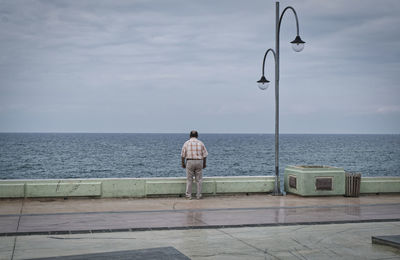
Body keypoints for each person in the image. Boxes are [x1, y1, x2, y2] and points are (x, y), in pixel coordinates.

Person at [181, 130, 208, 200]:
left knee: (189, 179)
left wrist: (183, 163)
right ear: (197, 136)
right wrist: (204, 164)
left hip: (189, 161)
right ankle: (198, 195)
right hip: (199, 161)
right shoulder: (201, 143)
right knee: (199, 180)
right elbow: (205, 155)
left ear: (190, 136)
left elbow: (183, 155)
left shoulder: (186, 143)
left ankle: (188, 195)